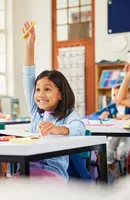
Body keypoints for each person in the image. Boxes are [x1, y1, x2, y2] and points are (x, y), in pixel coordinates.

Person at [22, 21, 86, 181]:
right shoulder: (36, 112)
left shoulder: (68, 114)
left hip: (53, 174)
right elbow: (28, 76)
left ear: (61, 95)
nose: (40, 94)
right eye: (37, 89)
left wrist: (58, 129)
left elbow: (79, 128)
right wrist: (30, 45)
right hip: (28, 171)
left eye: (48, 89)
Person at [91, 84, 130, 176]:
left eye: (119, 94)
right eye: (114, 95)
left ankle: (126, 169)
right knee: (107, 148)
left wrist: (129, 116)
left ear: (126, 95)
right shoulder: (110, 108)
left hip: (127, 135)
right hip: (113, 136)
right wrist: (100, 116)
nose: (117, 97)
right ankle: (112, 168)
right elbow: (93, 115)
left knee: (123, 152)